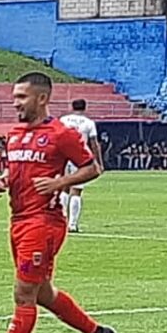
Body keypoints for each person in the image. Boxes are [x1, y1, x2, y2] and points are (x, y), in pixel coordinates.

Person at [0, 72, 112, 333]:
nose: (15, 102)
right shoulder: (17, 133)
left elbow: (93, 168)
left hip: (43, 223)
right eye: (15, 96)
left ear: (42, 98)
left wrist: (60, 183)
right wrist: (4, 179)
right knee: (43, 293)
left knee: (23, 293)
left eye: (21, 97)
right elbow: (18, 167)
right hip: (18, 220)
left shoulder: (61, 133)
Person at [58, 98, 102, 233]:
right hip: (80, 157)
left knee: (64, 187)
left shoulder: (63, 120)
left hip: (64, 156)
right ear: (84, 108)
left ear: (72, 107)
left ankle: (61, 221)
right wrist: (98, 162)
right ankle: (72, 224)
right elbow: (94, 143)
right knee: (76, 190)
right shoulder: (89, 123)